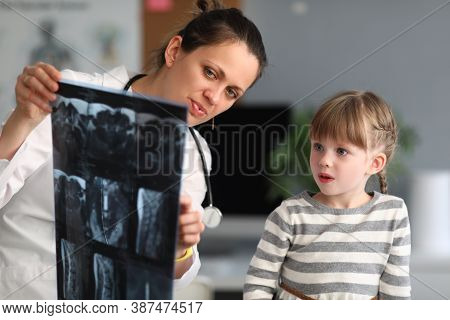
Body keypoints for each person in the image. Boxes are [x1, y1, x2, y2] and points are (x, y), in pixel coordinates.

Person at [0, 0, 267, 299]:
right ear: (175, 51)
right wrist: (23, 120)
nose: (214, 97)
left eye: (231, 92)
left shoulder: (194, 155)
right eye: (210, 72)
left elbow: (173, 277)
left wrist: (179, 247)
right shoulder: (71, 95)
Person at [244, 91, 411, 300]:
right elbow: (258, 283)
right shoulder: (290, 214)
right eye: (318, 146)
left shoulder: (392, 214)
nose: (324, 160)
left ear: (374, 163)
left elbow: (397, 294)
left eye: (341, 151)